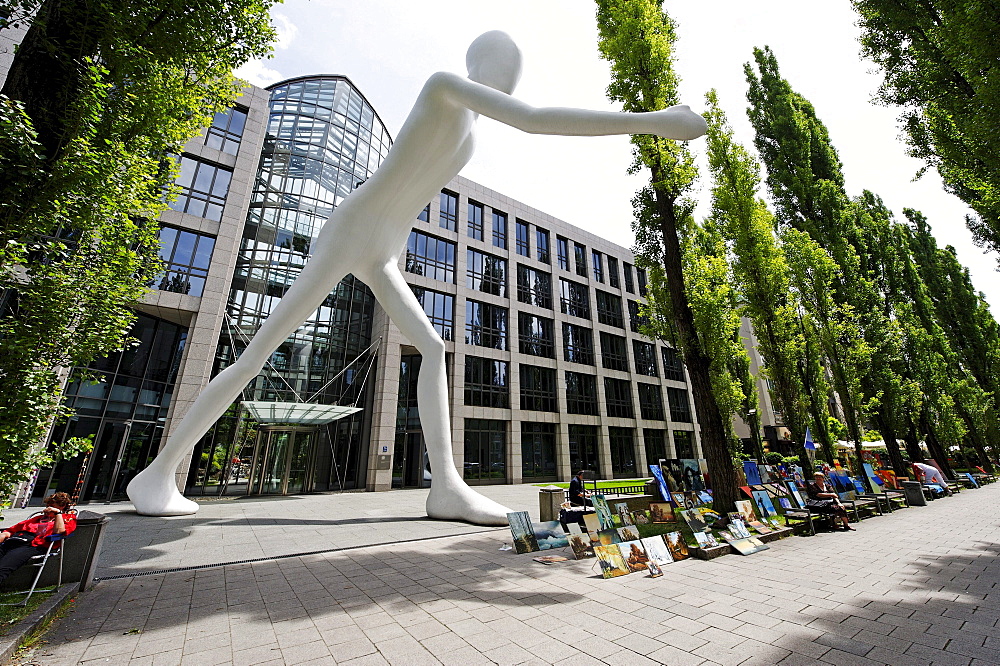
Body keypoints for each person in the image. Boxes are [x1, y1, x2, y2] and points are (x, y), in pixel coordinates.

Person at [125, 29, 708, 524]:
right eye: (507, 66)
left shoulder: (472, 128)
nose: (510, 79)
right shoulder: (442, 86)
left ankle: (445, 487)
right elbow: (533, 122)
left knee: (432, 346)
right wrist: (653, 122)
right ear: (483, 66)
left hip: (384, 251)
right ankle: (156, 475)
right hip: (351, 229)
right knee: (256, 354)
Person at [0, 492, 77, 586]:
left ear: (62, 506)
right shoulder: (38, 518)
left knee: (3, 567)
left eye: (51, 506)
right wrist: (4, 534)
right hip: (15, 541)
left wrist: (57, 513)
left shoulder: (68, 518)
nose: (47, 508)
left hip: (35, 546)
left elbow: (59, 531)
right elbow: (12, 530)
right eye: (47, 505)